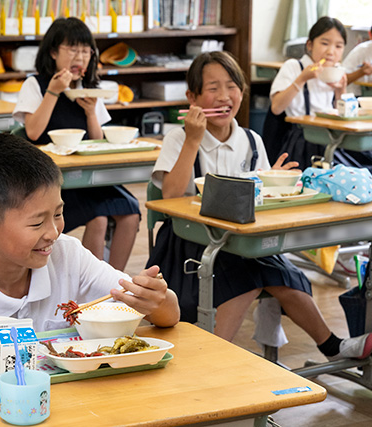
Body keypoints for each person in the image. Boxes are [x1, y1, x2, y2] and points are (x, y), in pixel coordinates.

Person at [146, 51, 372, 362]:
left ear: (242, 92)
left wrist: (273, 179)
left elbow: (259, 195)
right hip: (189, 244)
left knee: (286, 278)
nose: (224, 96)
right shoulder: (179, 137)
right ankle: (208, 360)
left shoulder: (252, 140)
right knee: (246, 280)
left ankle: (333, 347)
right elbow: (170, 196)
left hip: (243, 243)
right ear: (193, 97)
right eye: (212, 88)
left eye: (232, 86)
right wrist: (193, 141)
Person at [0, 133, 180, 355]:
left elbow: (166, 315)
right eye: (36, 224)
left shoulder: (68, 256)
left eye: (58, 214)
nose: (53, 232)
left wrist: (158, 300)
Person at [12, 17, 140, 271]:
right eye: (73, 49)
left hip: (88, 175)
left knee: (131, 211)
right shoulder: (35, 84)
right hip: (52, 179)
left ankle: (114, 282)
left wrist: (91, 112)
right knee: (99, 217)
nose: (79, 57)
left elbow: (96, 141)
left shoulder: (89, 87)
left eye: (85, 50)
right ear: (53, 51)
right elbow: (33, 132)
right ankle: (92, 287)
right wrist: (54, 91)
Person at [266, 16, 372, 170]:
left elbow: (341, 115)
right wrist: (302, 79)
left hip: (330, 139)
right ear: (309, 45)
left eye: (338, 46)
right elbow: (276, 107)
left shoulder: (335, 72)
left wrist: (340, 90)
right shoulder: (294, 66)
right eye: (324, 43)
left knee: (362, 167)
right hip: (301, 142)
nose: (331, 51)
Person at [342, 25, 372, 96]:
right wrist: (361, 72)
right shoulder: (361, 51)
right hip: (356, 96)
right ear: (370, 35)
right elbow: (341, 80)